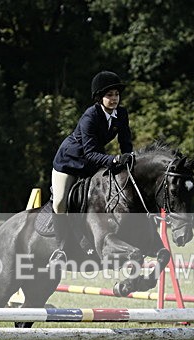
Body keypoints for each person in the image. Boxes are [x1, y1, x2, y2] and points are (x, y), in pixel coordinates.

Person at [50, 70, 135, 261]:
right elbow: (89, 153)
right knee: (60, 201)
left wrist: (128, 158)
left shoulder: (121, 114)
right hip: (69, 161)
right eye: (109, 95)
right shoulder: (90, 116)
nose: (114, 99)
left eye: (116, 94)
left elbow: (125, 142)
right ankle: (60, 248)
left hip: (94, 160)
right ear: (99, 97)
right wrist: (113, 160)